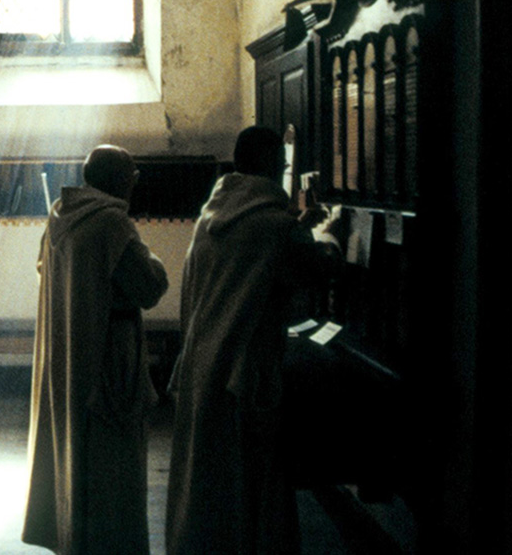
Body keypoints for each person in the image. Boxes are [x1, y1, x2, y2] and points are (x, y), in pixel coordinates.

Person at [166, 126, 342, 555]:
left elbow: (251, 256)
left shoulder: (213, 217)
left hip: (203, 364)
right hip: (244, 376)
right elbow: (318, 271)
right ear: (266, 165)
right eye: (281, 166)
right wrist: (327, 234)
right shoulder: (273, 225)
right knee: (250, 487)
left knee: (207, 482)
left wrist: (296, 225)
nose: (283, 173)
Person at [23, 145, 169, 555]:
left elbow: (42, 272)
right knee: (112, 467)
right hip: (108, 356)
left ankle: (75, 536)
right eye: (133, 172)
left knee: (74, 453)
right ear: (121, 178)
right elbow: (150, 287)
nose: (136, 180)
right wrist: (154, 259)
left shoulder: (59, 214)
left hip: (67, 349)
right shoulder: (111, 222)